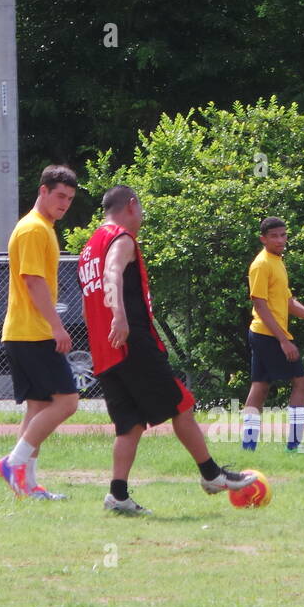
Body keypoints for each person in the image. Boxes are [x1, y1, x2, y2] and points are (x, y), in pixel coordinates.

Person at [78, 185, 257, 515]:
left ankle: (117, 495)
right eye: (141, 210)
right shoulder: (121, 238)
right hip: (130, 342)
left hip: (104, 352)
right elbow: (113, 273)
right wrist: (119, 315)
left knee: (129, 424)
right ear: (132, 205)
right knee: (181, 404)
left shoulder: (88, 248)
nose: (142, 217)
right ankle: (211, 475)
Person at [0, 164, 80, 499]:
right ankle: (13, 463)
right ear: (42, 191)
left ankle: (26, 485)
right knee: (68, 402)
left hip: (24, 332)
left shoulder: (43, 227)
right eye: (60, 195)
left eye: (70, 198)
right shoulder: (33, 229)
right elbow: (32, 281)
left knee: (38, 408)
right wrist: (56, 326)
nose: (65, 203)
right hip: (32, 333)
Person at [240, 217, 304, 451]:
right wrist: (283, 340)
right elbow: (260, 305)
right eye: (274, 236)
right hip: (268, 334)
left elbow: (289, 301)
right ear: (263, 239)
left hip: (264, 333)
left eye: (283, 235)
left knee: (260, 387)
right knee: (302, 383)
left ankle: (248, 447)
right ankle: (294, 446)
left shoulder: (277, 261)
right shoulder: (261, 264)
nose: (280, 240)